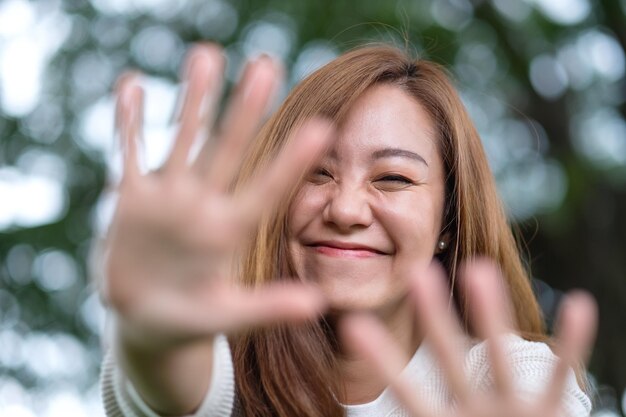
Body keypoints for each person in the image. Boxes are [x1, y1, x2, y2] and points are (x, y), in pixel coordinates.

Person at [99, 43, 597, 417]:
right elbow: (176, 380)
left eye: (393, 179)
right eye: (317, 171)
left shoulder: (505, 374)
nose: (346, 209)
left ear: (448, 221)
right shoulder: (218, 358)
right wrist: (150, 337)